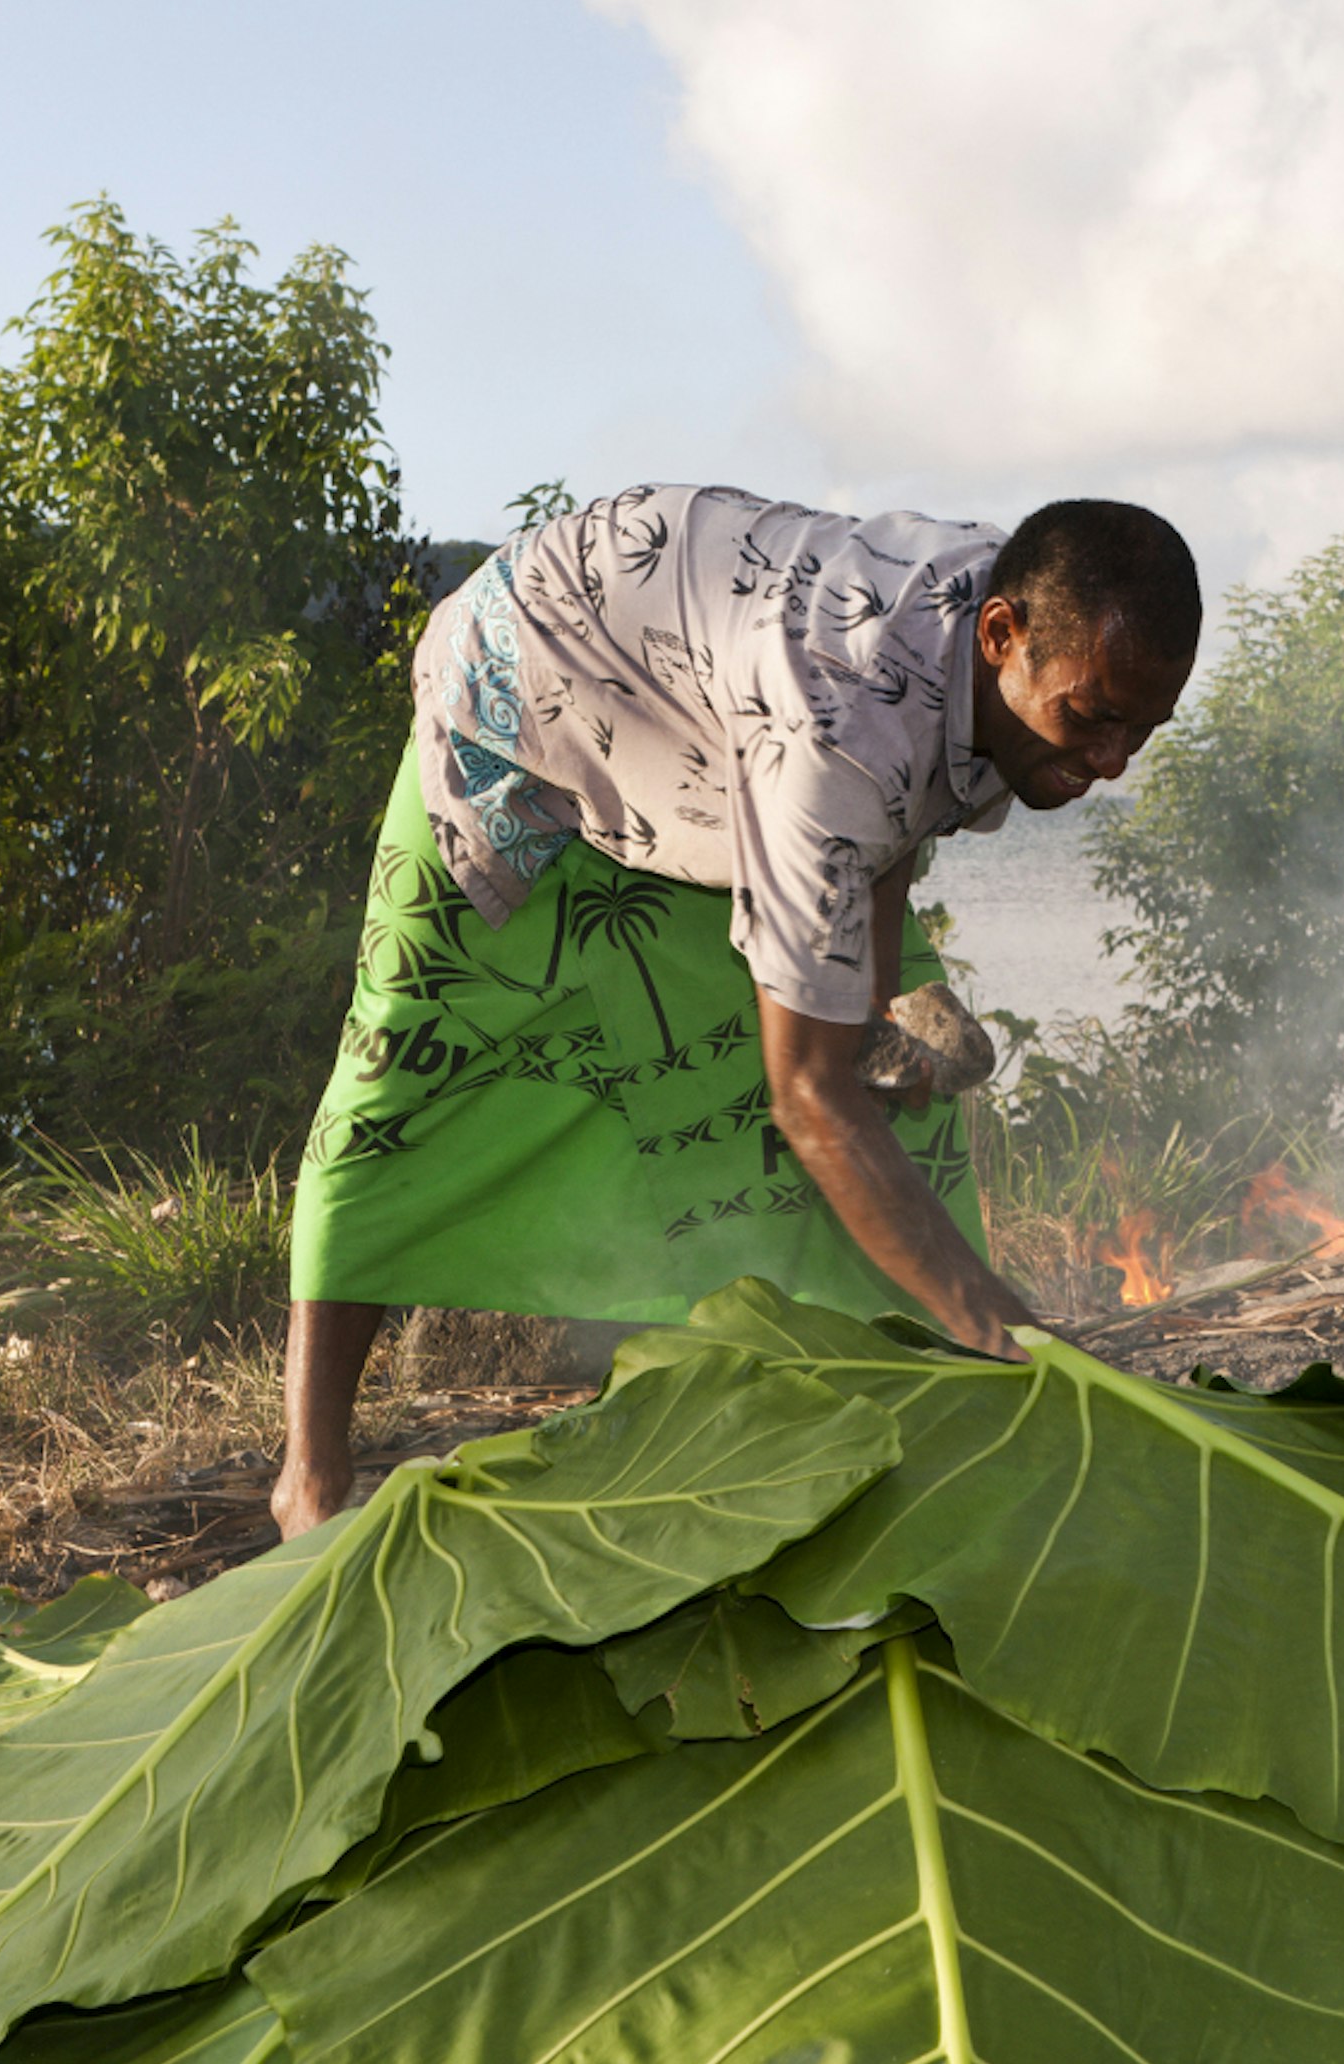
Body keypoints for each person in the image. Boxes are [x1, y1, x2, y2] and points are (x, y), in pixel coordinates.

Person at [268, 485, 1199, 1535]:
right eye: (1093, 718)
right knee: (408, 1077)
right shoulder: (838, 729)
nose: (1113, 760)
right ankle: (310, 1480)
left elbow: (899, 814)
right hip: (524, 689)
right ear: (1002, 637)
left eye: (1145, 729)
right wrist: (1018, 1336)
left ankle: (874, 1401)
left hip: (703, 740)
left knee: (890, 1094)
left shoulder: (1019, 633)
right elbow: (809, 1097)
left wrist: (886, 994)